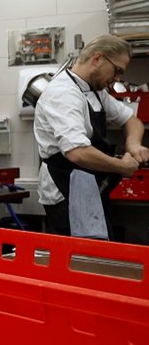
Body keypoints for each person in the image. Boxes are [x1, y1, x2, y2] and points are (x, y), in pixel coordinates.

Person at [34, 34, 149, 240]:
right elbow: (77, 153)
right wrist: (121, 166)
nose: (117, 78)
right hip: (64, 191)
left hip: (88, 186)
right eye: (117, 71)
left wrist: (134, 144)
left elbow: (132, 120)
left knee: (100, 253)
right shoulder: (63, 93)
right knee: (82, 259)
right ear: (97, 59)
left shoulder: (95, 90)